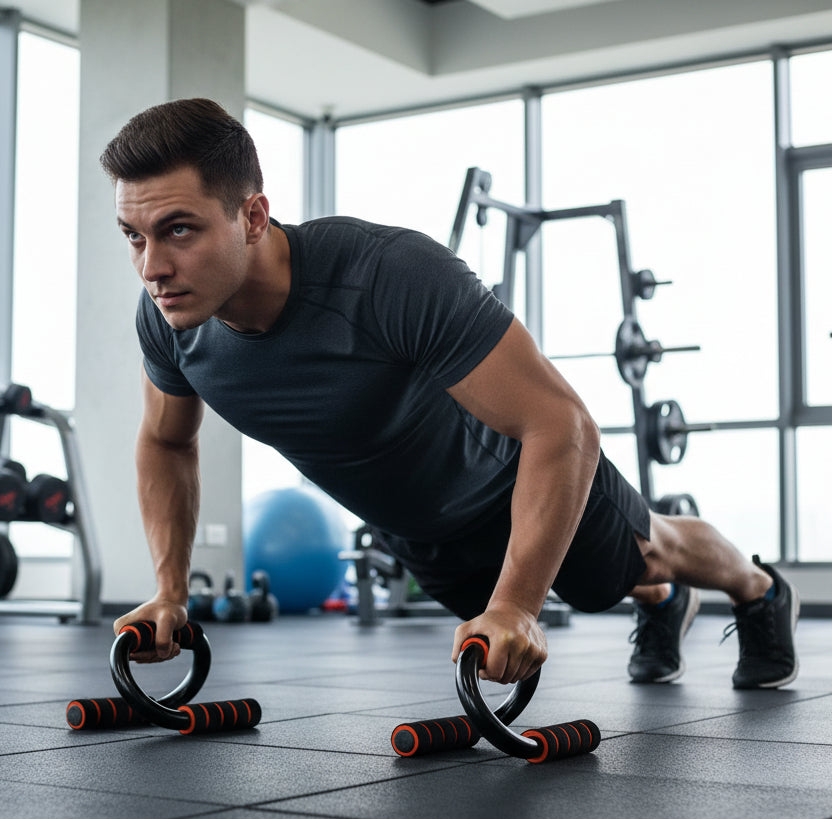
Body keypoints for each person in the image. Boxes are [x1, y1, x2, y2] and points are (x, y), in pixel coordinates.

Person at [104, 98, 798, 690]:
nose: (152, 267)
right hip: (423, 532)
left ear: (252, 216)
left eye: (179, 230)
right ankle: (659, 601)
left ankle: (759, 590)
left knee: (650, 550)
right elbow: (166, 440)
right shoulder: (168, 324)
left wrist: (521, 606)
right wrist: (169, 590)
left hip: (515, 480)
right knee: (601, 586)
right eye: (133, 237)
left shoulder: (386, 277)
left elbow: (563, 426)